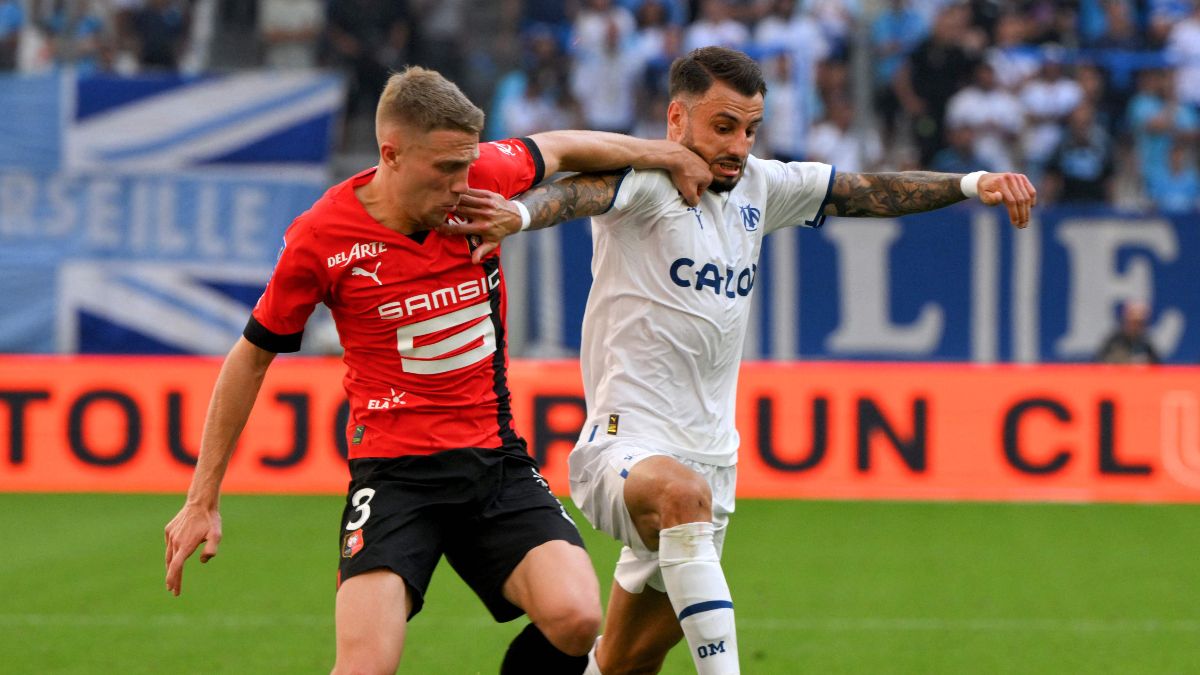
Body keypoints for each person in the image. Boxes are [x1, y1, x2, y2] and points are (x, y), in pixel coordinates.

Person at [445, 46, 1036, 674]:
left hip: (713, 462)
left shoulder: (762, 187)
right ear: (678, 120)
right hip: (622, 449)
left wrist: (975, 183)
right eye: (723, 126)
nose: (739, 144)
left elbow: (865, 191)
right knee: (681, 494)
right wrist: (520, 212)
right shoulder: (646, 184)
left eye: (750, 129)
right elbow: (575, 195)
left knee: (624, 664)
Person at [162, 65, 713, 674]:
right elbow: (252, 355)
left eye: (466, 165)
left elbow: (560, 147)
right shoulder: (321, 239)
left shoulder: (480, 178)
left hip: (494, 463)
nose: (462, 184)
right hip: (396, 478)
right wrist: (201, 498)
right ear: (391, 154)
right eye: (446, 169)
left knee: (578, 618)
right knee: (365, 667)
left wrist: (664, 154)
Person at [1096, 300, 1161, 364]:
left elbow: (1158, 369)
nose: (1136, 327)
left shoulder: (1147, 346)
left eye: (1141, 323)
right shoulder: (1112, 343)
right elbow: (1098, 366)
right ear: (1126, 320)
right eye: (1134, 322)